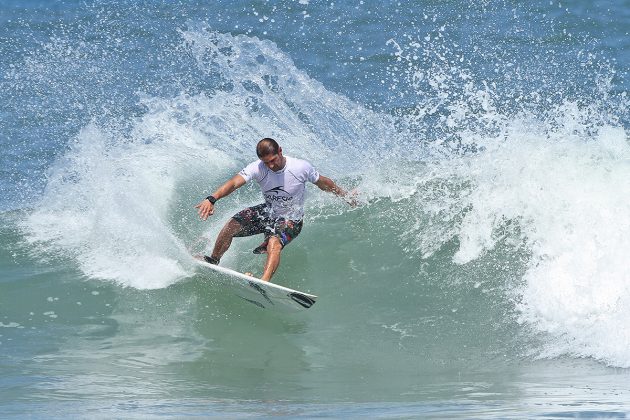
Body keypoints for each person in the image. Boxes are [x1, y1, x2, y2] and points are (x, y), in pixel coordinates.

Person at [195, 138, 354, 282]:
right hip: (268, 211)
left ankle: (264, 282)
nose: (270, 166)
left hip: (291, 219)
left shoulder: (300, 167)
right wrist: (212, 198)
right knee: (231, 225)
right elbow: (234, 183)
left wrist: (345, 196)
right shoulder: (258, 168)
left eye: (273, 160)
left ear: (280, 151)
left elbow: (324, 183)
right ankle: (213, 260)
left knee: (274, 241)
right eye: (266, 162)